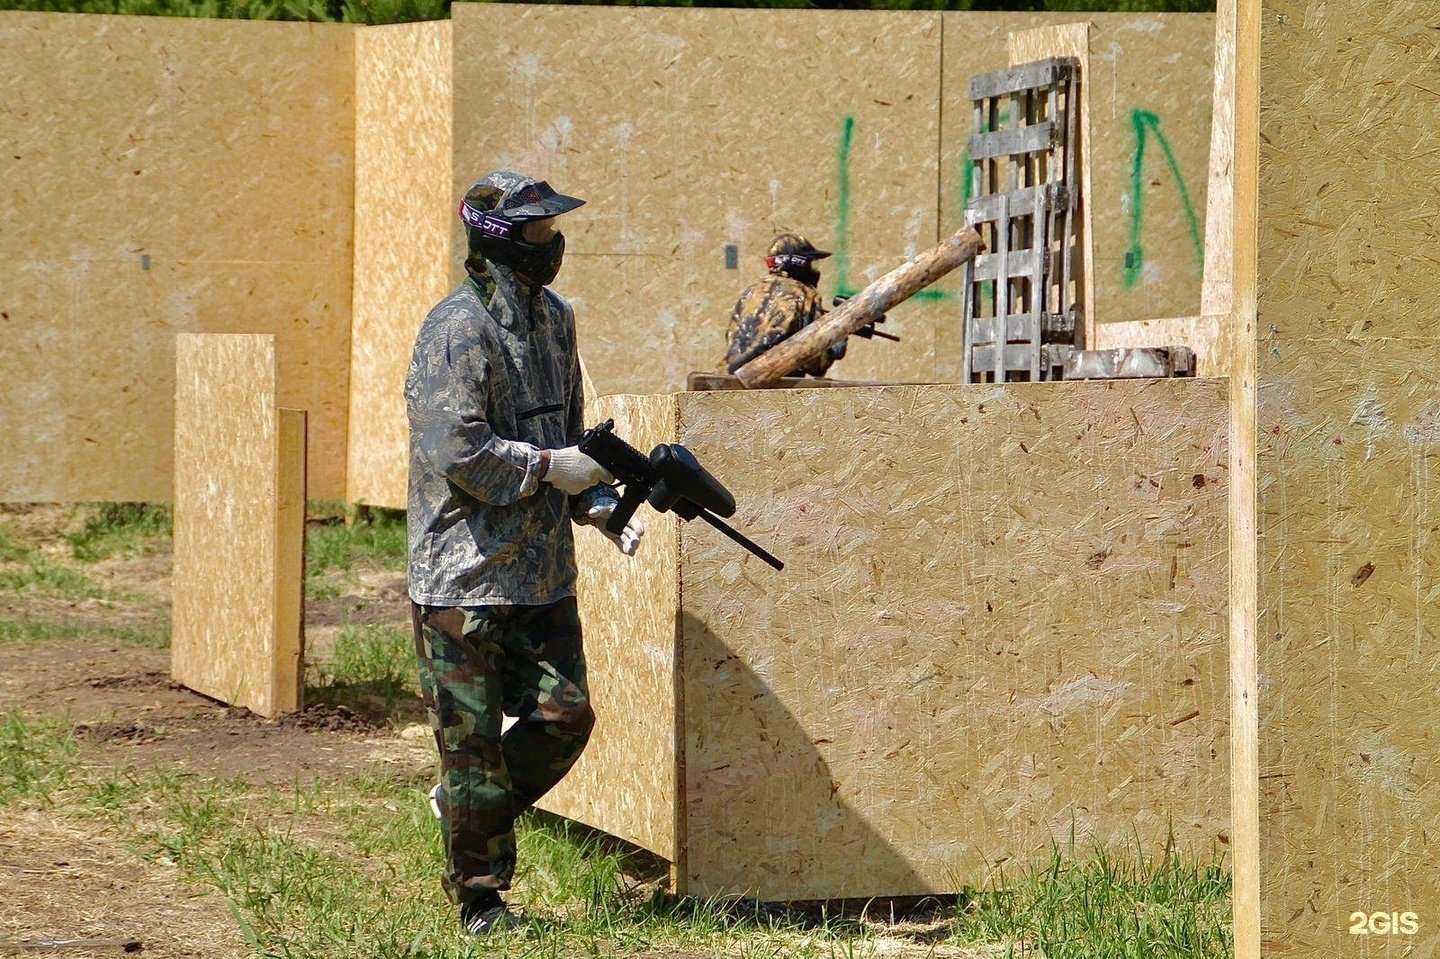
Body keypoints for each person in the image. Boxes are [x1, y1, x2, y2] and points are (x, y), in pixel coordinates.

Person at [404, 170, 645, 936]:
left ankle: (468, 806)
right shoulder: (456, 329)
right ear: (502, 239)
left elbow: (569, 433)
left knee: (565, 717)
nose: (553, 243)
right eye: (538, 232)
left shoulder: (556, 321)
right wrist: (549, 469)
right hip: (464, 577)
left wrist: (596, 501)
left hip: (540, 571)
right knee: (471, 743)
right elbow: (459, 450)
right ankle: (479, 898)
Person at [722, 232, 846, 377]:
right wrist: (839, 336)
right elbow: (812, 362)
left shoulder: (751, 293)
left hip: (732, 377)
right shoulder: (804, 295)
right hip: (774, 385)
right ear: (798, 263)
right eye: (812, 263)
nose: (815, 270)